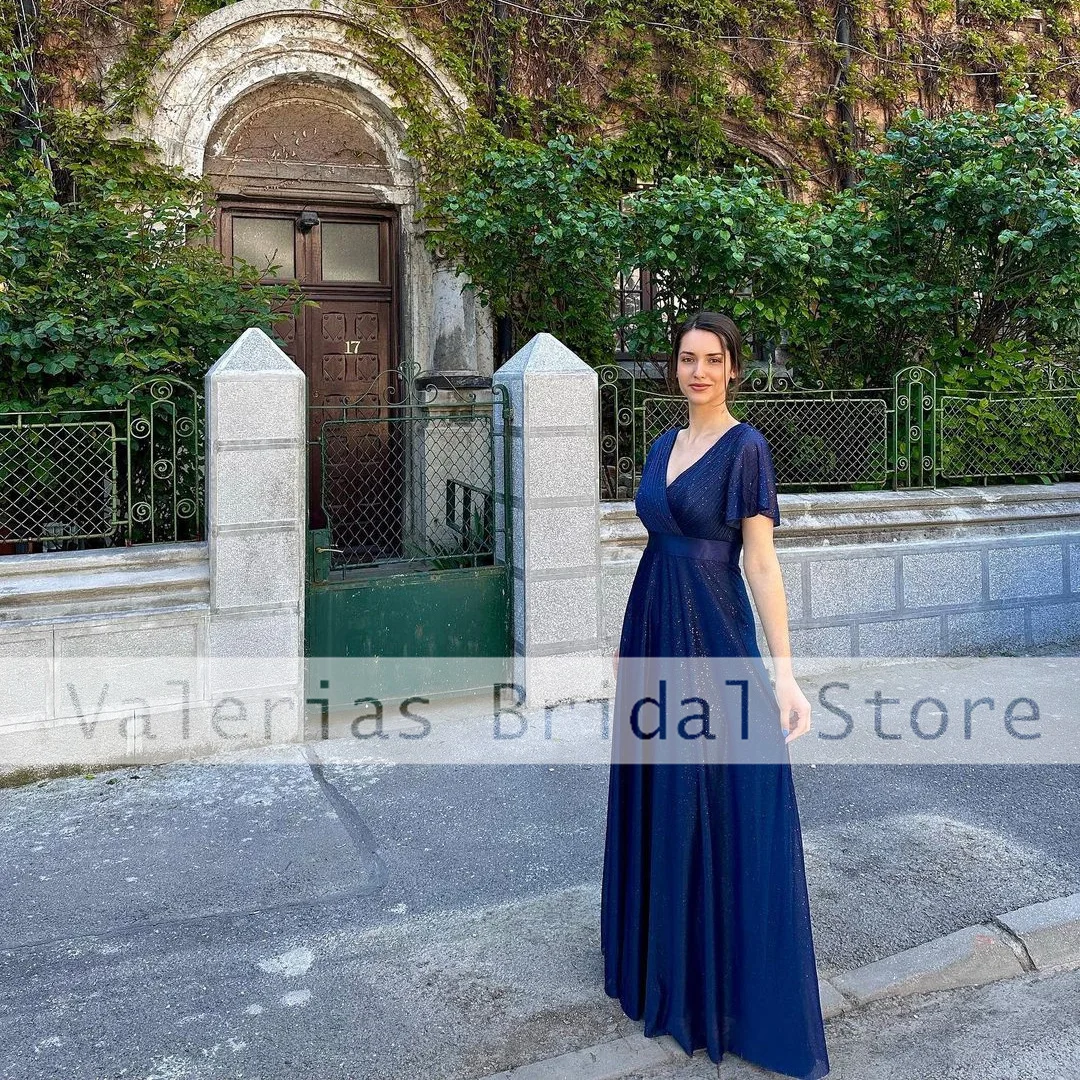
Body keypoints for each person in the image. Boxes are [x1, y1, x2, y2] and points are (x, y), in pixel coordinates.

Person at [600, 311, 830, 1079]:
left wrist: (785, 672)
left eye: (712, 359)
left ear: (734, 368)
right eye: (686, 359)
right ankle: (660, 966)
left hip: (713, 636)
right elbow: (660, 544)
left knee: (728, 792)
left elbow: (760, 566)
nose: (697, 371)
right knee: (662, 790)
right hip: (654, 629)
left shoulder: (746, 448)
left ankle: (724, 988)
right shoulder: (665, 444)